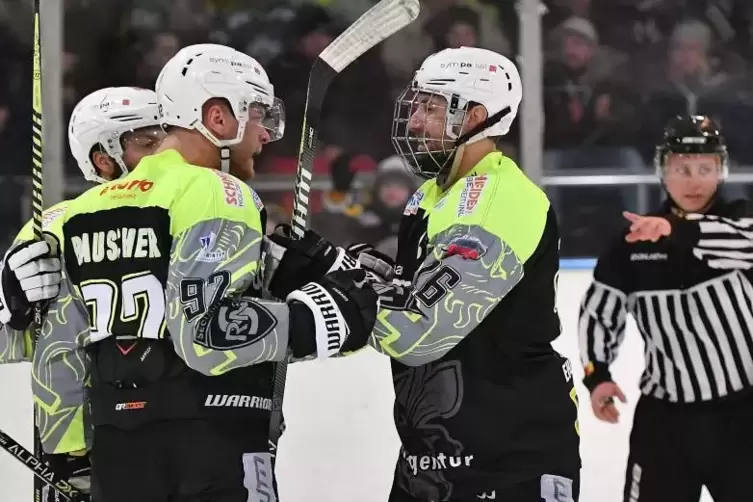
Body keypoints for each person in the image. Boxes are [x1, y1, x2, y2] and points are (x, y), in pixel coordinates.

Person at [46, 43, 378, 502]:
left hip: (116, 454)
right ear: (218, 117)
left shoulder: (75, 211)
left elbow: (59, 346)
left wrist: (67, 458)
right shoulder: (217, 190)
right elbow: (205, 335)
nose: (266, 134)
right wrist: (317, 319)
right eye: (259, 114)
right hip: (212, 444)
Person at [264, 46, 581, 502]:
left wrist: (339, 300)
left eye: (430, 108)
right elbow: (409, 289)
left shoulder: (496, 199)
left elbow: (421, 328)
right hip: (431, 456)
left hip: (509, 459)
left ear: (474, 115)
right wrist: (333, 266)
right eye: (415, 106)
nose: (414, 122)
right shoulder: (430, 196)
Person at [0, 86, 164, 497]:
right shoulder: (52, 227)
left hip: (175, 436)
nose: (166, 152)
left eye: (168, 137)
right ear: (104, 159)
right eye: (148, 142)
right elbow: (10, 340)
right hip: (72, 458)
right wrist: (11, 308)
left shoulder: (187, 207)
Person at [579, 114, 753, 502]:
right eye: (682, 168)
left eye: (705, 168)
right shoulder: (631, 243)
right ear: (662, 170)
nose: (694, 180)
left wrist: (676, 231)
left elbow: (743, 244)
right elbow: (599, 313)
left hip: (744, 416)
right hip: (665, 424)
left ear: (721, 171)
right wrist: (598, 375)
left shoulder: (741, 220)